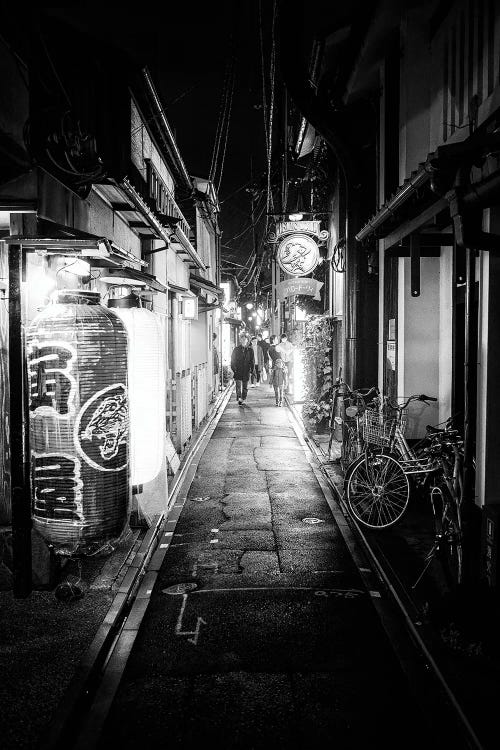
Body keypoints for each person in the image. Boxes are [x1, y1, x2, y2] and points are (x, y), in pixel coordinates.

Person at [230, 332, 254, 405]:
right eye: (242, 339)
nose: (243, 340)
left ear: (247, 340)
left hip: (246, 370)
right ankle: (239, 397)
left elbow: (252, 361)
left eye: (245, 339)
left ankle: (243, 397)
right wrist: (234, 369)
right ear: (240, 340)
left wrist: (251, 370)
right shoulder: (236, 349)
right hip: (238, 370)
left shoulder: (250, 350)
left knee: (245, 387)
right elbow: (233, 360)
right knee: (238, 386)